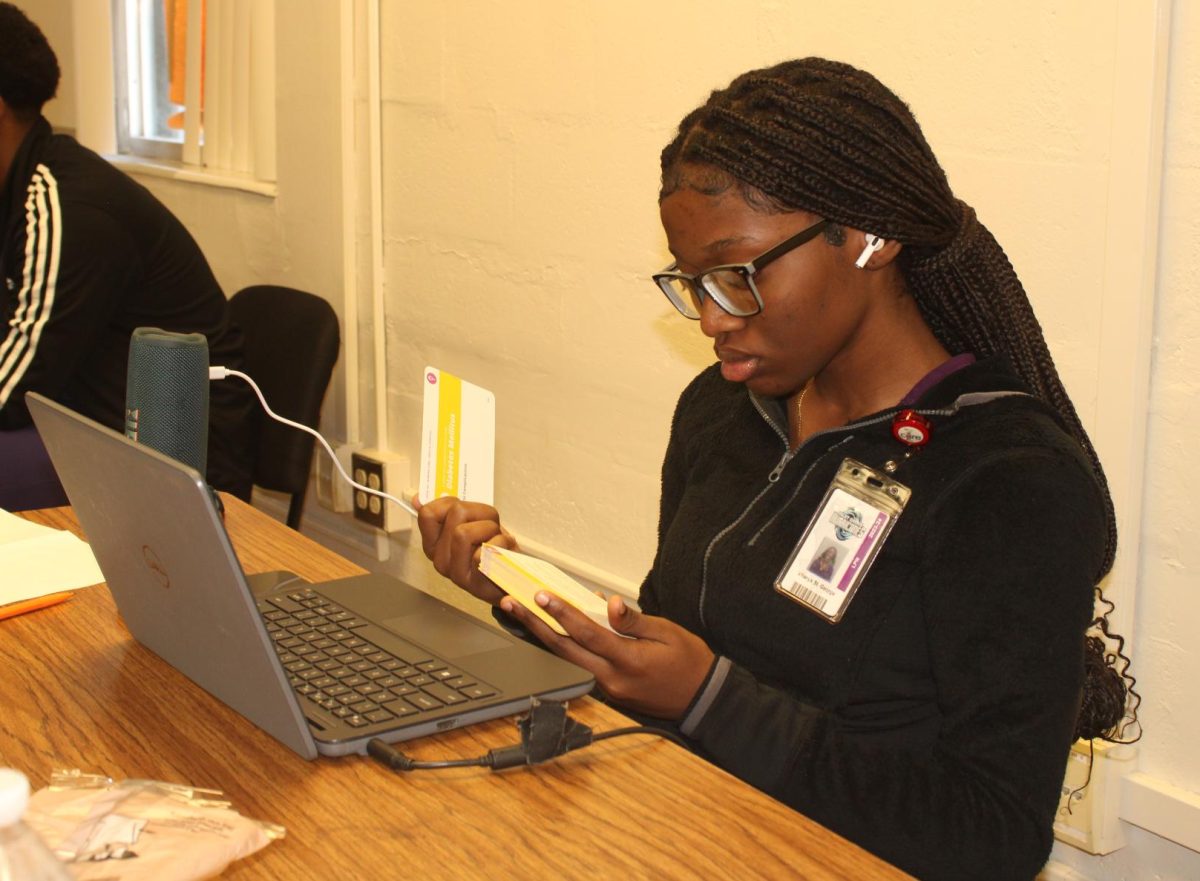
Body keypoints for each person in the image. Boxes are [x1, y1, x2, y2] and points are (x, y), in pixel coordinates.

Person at [414, 58, 1135, 881]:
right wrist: (513, 586)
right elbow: (666, 644)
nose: (714, 318)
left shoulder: (1009, 479)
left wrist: (707, 697)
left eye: (741, 272)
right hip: (674, 836)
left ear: (869, 233)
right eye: (694, 284)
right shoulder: (724, 411)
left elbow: (992, 836)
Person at [0, 3, 255, 509]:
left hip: (167, 460)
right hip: (79, 421)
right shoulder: (20, 187)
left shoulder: (67, 206)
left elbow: (11, 391)